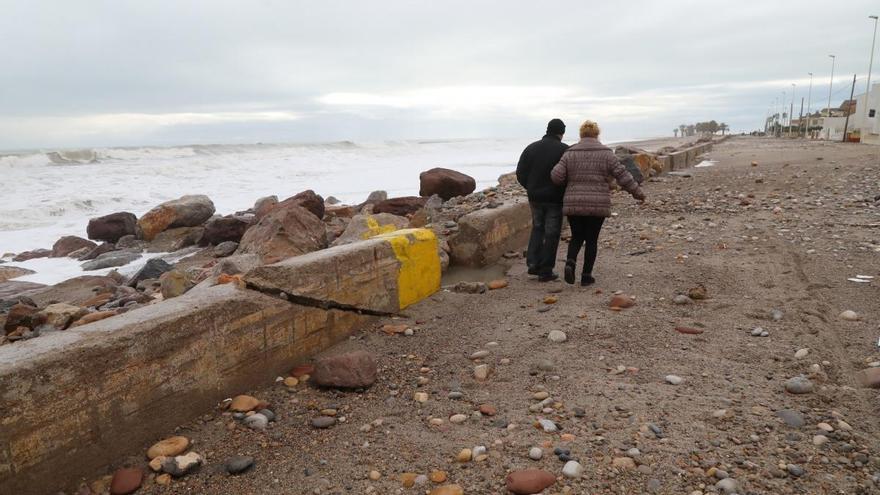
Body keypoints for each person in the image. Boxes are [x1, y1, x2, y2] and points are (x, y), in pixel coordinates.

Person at [550, 120, 645, 286]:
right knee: (592, 239)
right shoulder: (606, 153)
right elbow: (623, 176)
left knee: (577, 236)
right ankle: (586, 276)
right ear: (596, 134)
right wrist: (638, 193)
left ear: (581, 135)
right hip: (598, 203)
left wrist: (570, 181)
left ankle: (571, 262)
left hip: (574, 203)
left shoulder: (569, 153)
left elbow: (556, 176)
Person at [516, 119, 569, 282]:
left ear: (547, 130)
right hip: (555, 197)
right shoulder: (564, 150)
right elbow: (569, 173)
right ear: (561, 132)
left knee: (538, 229)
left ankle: (533, 264)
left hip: (535, 197)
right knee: (552, 233)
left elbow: (520, 172)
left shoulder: (531, 148)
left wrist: (530, 187)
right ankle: (546, 270)